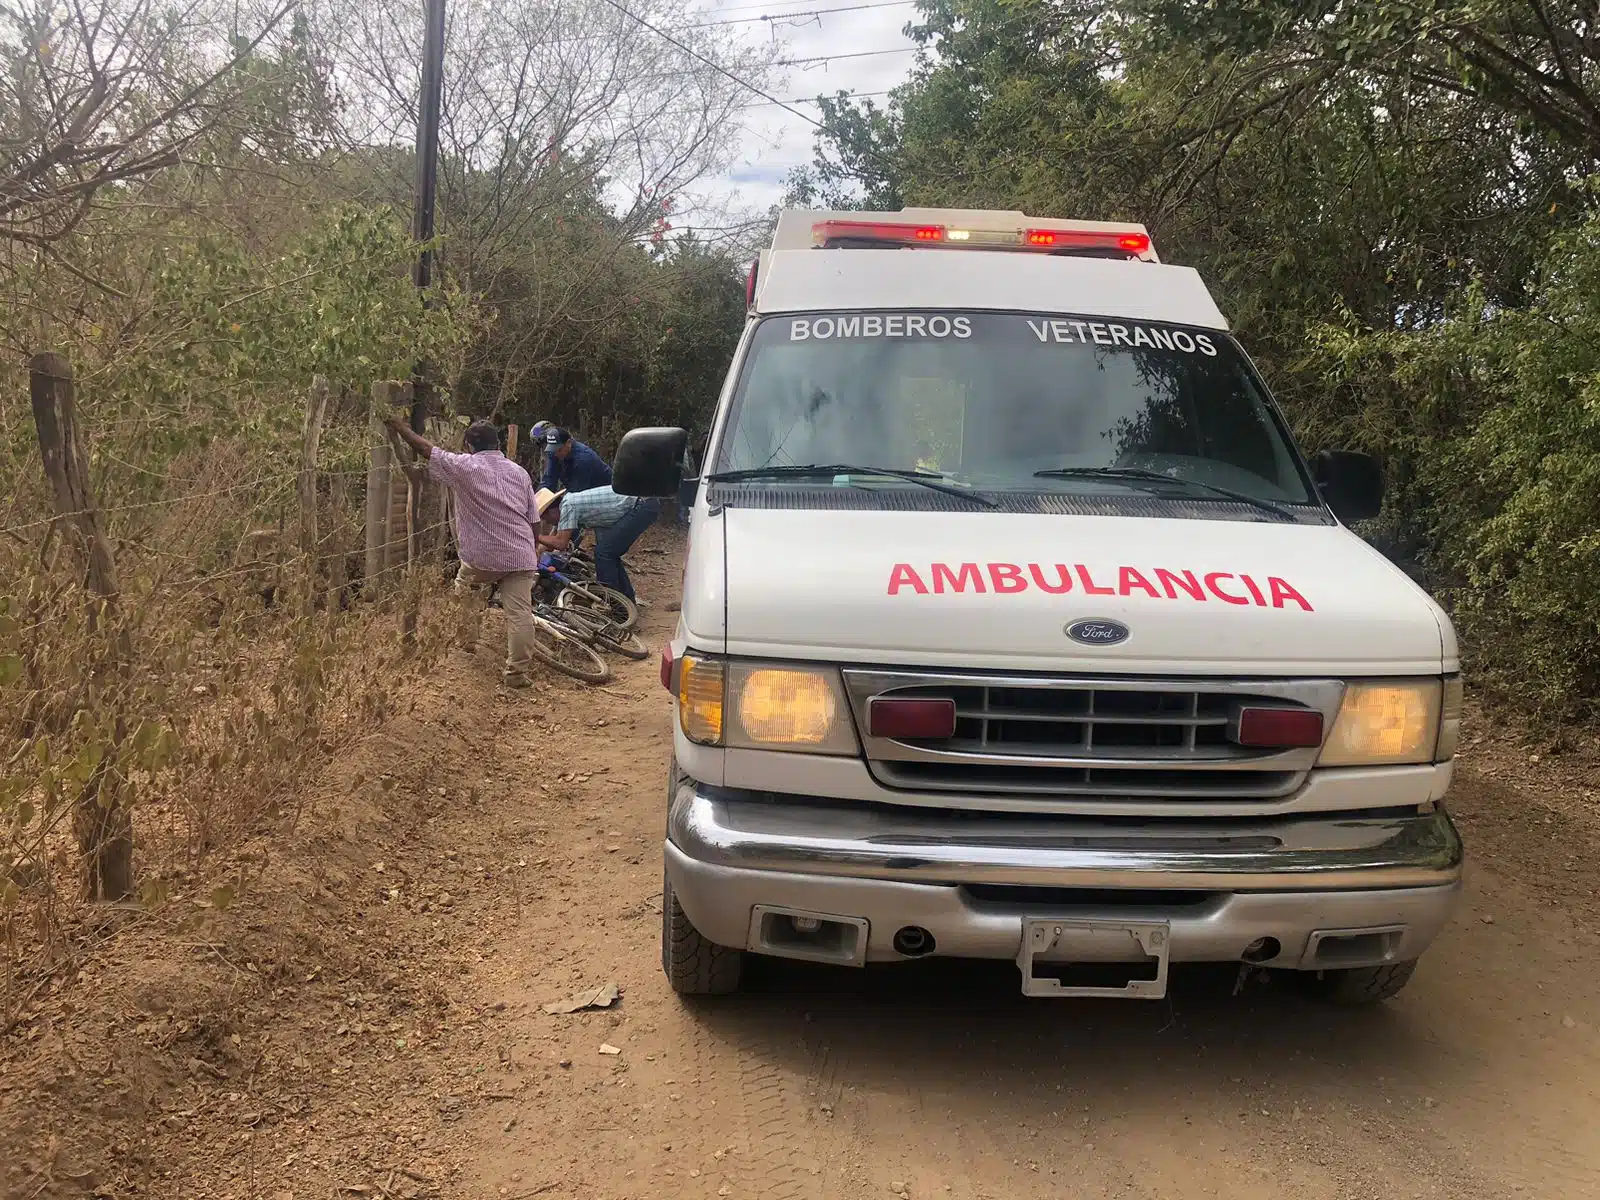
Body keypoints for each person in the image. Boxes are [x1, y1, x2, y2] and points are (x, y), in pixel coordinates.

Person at [385, 416, 563, 687]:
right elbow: (534, 518)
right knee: (520, 614)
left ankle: (467, 645)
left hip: (483, 557)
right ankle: (517, 674)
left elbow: (426, 450)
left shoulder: (464, 466)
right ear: (498, 444)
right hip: (520, 555)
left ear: (468, 445)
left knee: (465, 588)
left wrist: (401, 429)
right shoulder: (518, 472)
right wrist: (533, 545)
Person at [537, 485, 660, 603]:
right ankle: (625, 602)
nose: (549, 522)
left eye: (546, 519)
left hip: (640, 505)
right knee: (610, 554)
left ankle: (610, 602)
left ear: (551, 512)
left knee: (603, 553)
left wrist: (535, 536)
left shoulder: (568, 506)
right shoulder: (568, 503)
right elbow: (551, 542)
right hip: (644, 503)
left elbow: (560, 543)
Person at [540, 426, 612, 494]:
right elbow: (548, 481)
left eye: (559, 450)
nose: (555, 454)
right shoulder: (555, 453)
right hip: (581, 490)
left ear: (568, 443)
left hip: (604, 491)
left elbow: (576, 494)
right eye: (553, 450)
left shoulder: (583, 459)